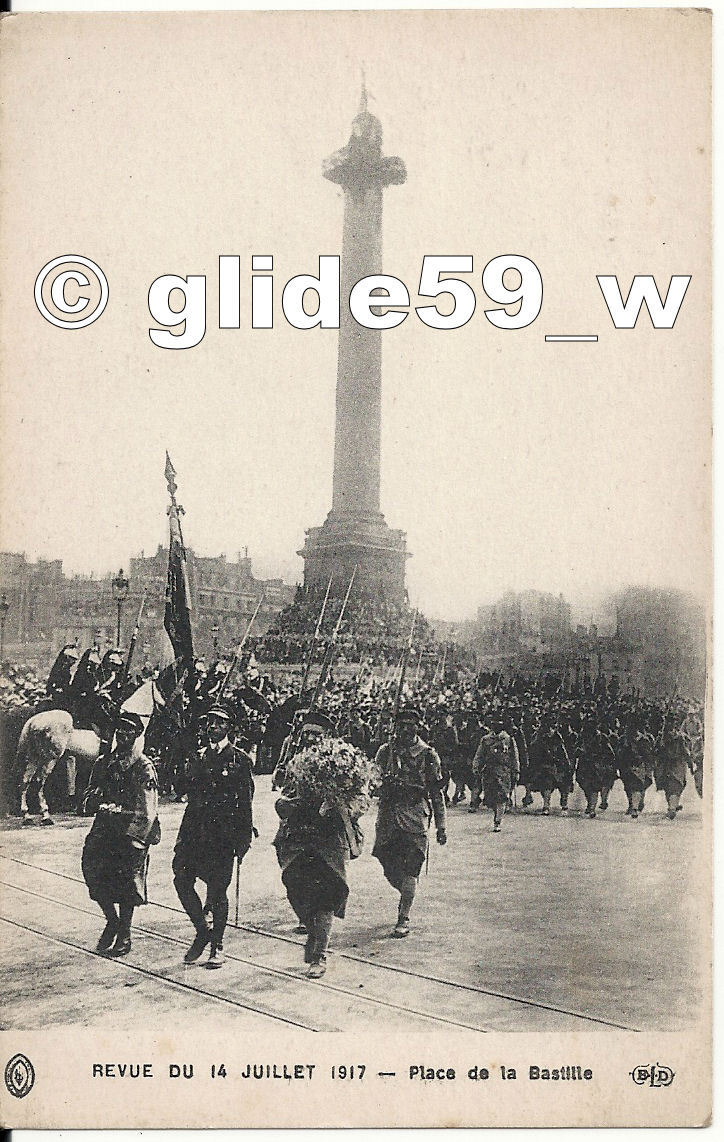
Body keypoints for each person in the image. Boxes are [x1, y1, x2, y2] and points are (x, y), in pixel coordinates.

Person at [272, 711, 360, 978]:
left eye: (316, 734)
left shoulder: (342, 761)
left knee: (326, 895)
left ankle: (319, 954)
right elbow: (282, 792)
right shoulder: (294, 762)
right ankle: (313, 933)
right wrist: (283, 805)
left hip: (328, 839)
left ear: (328, 738)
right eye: (306, 733)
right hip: (297, 838)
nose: (310, 738)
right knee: (296, 890)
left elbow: (359, 797)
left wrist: (338, 807)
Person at [172, 704, 255, 967]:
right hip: (195, 832)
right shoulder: (197, 757)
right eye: (210, 722)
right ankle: (202, 931)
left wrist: (244, 839)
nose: (213, 727)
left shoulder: (239, 760)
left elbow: (246, 801)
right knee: (182, 881)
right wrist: (183, 762)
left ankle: (217, 944)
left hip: (222, 835)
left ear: (229, 728)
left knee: (217, 892)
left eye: (219, 723)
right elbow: (182, 789)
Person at [81, 711, 160, 956]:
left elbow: (148, 808)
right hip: (105, 828)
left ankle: (124, 932)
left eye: (129, 730)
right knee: (92, 871)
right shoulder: (104, 762)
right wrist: (93, 799)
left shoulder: (143, 766)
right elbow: (88, 795)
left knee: (127, 881)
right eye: (120, 729)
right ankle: (112, 920)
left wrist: (136, 836)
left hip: (129, 831)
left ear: (137, 734)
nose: (123, 734)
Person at [372, 706, 447, 938]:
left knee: (411, 869)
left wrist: (441, 825)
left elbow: (436, 793)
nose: (405, 730)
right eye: (401, 725)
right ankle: (406, 891)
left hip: (415, 818)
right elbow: (373, 782)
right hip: (388, 819)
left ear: (418, 727)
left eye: (410, 725)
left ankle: (403, 916)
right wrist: (381, 783)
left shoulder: (428, 755)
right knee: (389, 867)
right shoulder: (386, 751)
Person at [470, 714, 519, 831]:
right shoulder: (486, 739)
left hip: (503, 771)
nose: (496, 727)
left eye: (499, 725)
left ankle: (498, 821)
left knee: (502, 796)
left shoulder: (508, 739)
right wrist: (476, 766)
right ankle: (496, 815)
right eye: (494, 725)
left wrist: (516, 771)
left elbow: (514, 757)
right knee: (491, 798)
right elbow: (479, 754)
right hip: (489, 771)